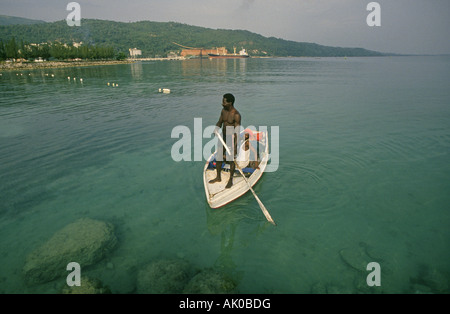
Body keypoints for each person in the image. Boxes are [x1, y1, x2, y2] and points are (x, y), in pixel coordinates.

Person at [209, 93, 241, 188]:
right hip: (223, 137)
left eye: (224, 102)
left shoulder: (236, 115)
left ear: (230, 103)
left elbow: (237, 133)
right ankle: (218, 177)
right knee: (219, 157)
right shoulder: (223, 111)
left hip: (231, 138)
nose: (222, 103)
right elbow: (219, 122)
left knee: (231, 160)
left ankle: (230, 180)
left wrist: (235, 147)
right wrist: (216, 128)